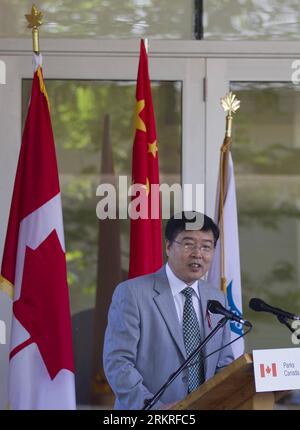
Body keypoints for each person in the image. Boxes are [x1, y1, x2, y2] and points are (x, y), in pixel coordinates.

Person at [103, 212, 234, 410]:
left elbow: (224, 363)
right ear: (168, 246)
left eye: (206, 247)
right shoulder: (132, 293)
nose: (198, 253)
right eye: (188, 244)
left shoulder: (216, 298)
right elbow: (118, 362)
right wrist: (156, 408)